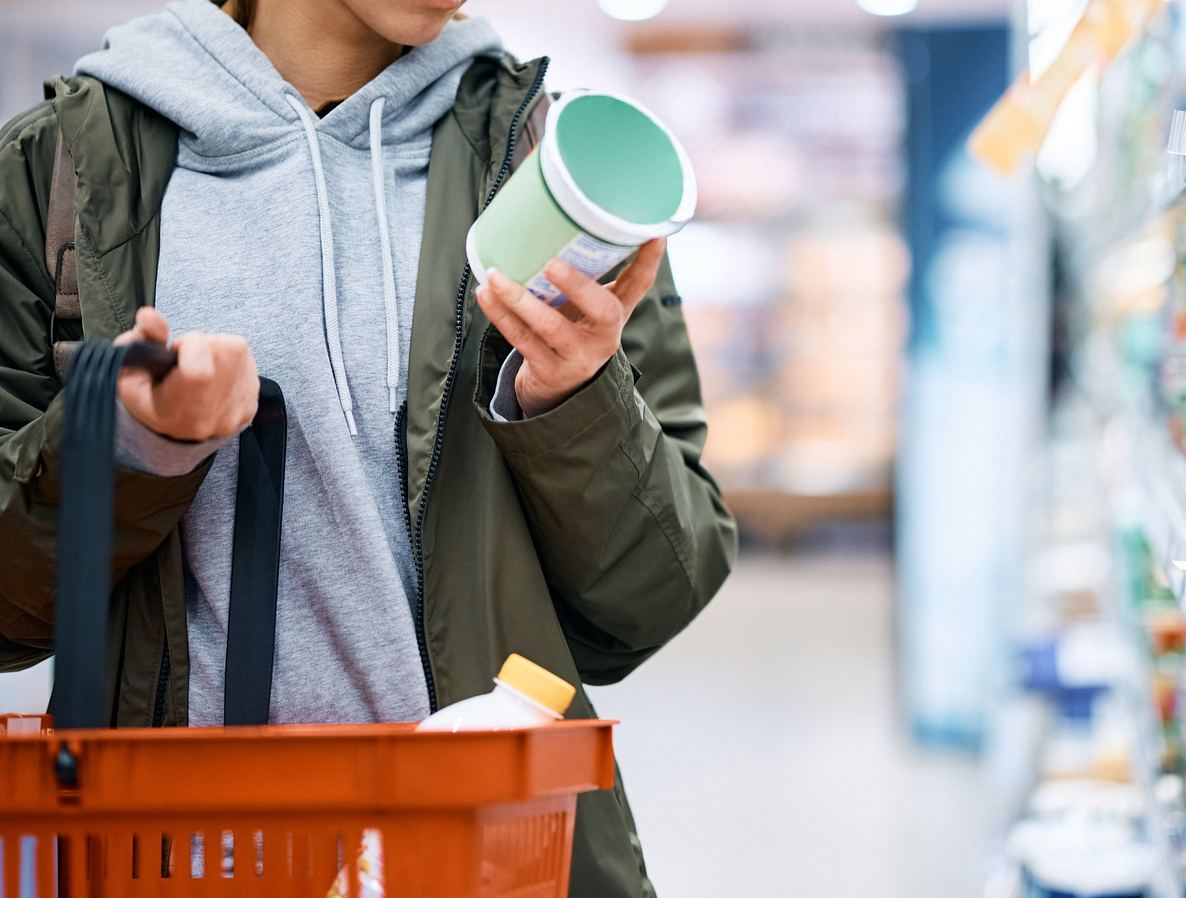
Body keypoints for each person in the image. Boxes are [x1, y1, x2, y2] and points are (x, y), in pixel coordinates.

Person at [0, 0, 736, 893]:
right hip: (175, 856)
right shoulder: (59, 171)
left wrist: (575, 400)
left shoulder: (553, 171)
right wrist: (134, 444)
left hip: (484, 862)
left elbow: (652, 598)